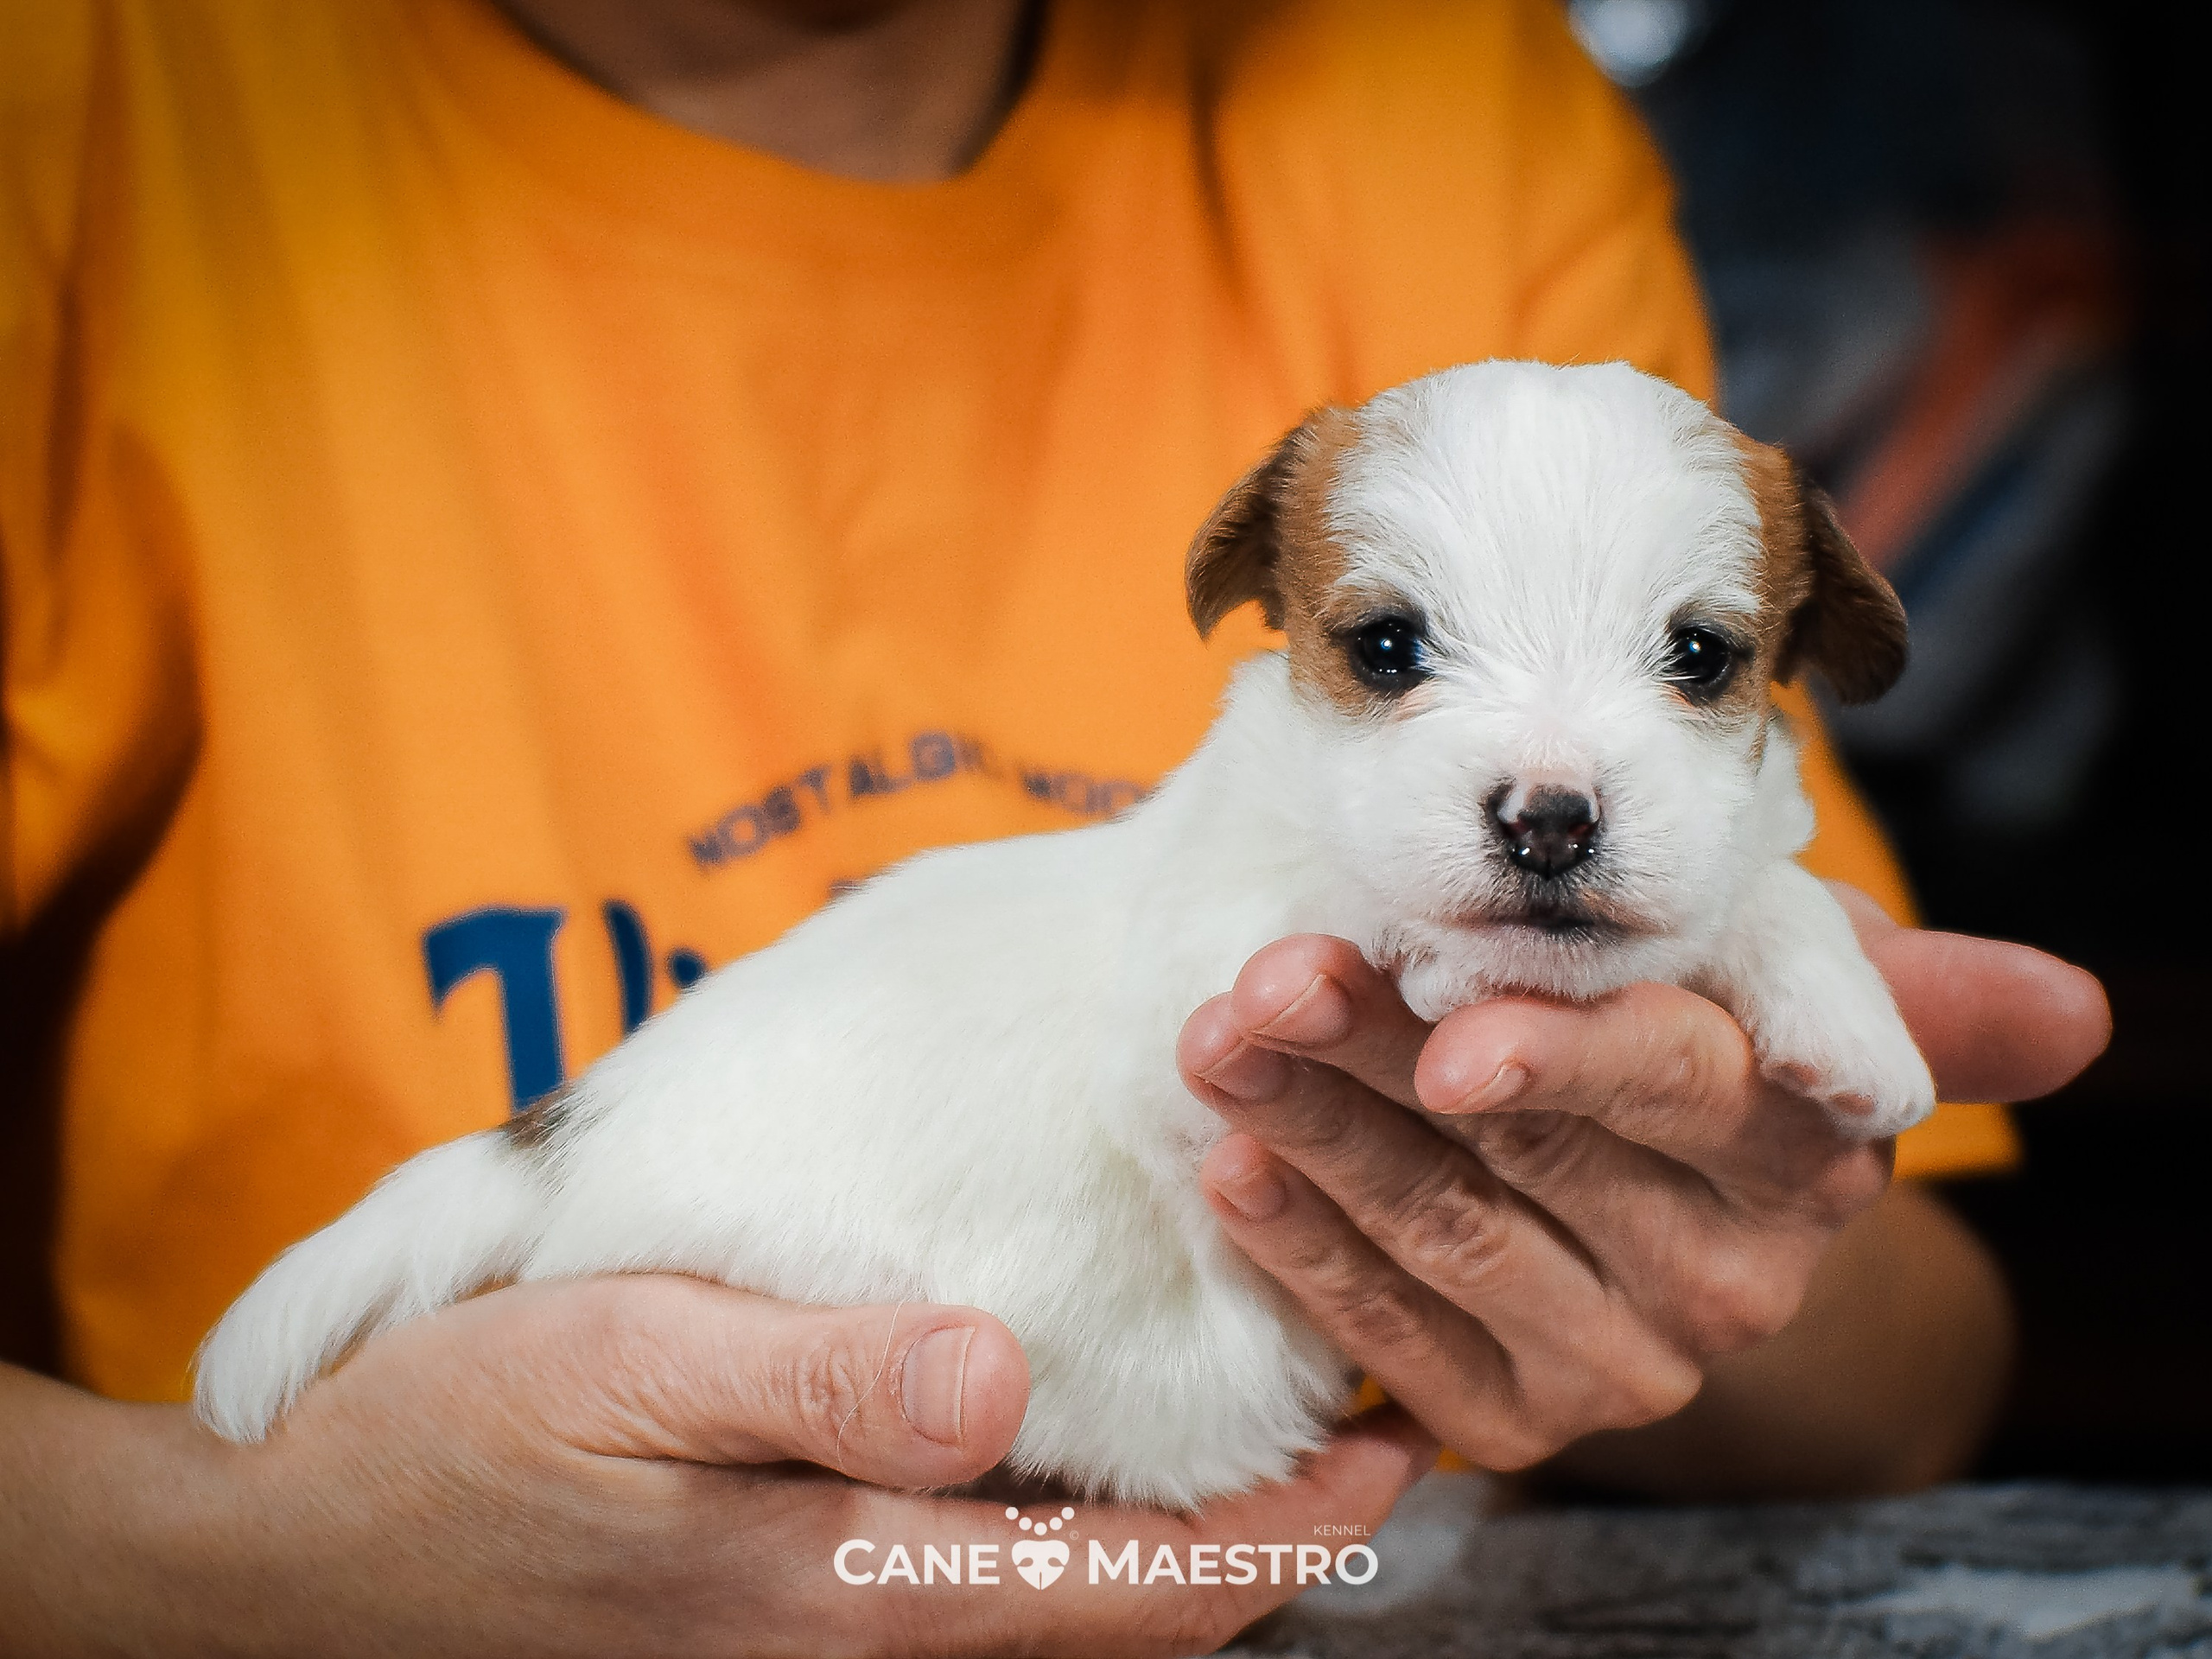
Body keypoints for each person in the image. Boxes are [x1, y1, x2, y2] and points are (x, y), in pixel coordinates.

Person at [0, 0, 2110, 1651]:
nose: (1549, 784)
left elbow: (1911, 1386)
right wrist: (226, 1566)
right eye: (1388, 655)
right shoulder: (88, 114)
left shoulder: (1440, 93)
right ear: (1262, 625)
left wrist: (1722, 1216)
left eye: (1689, 667)